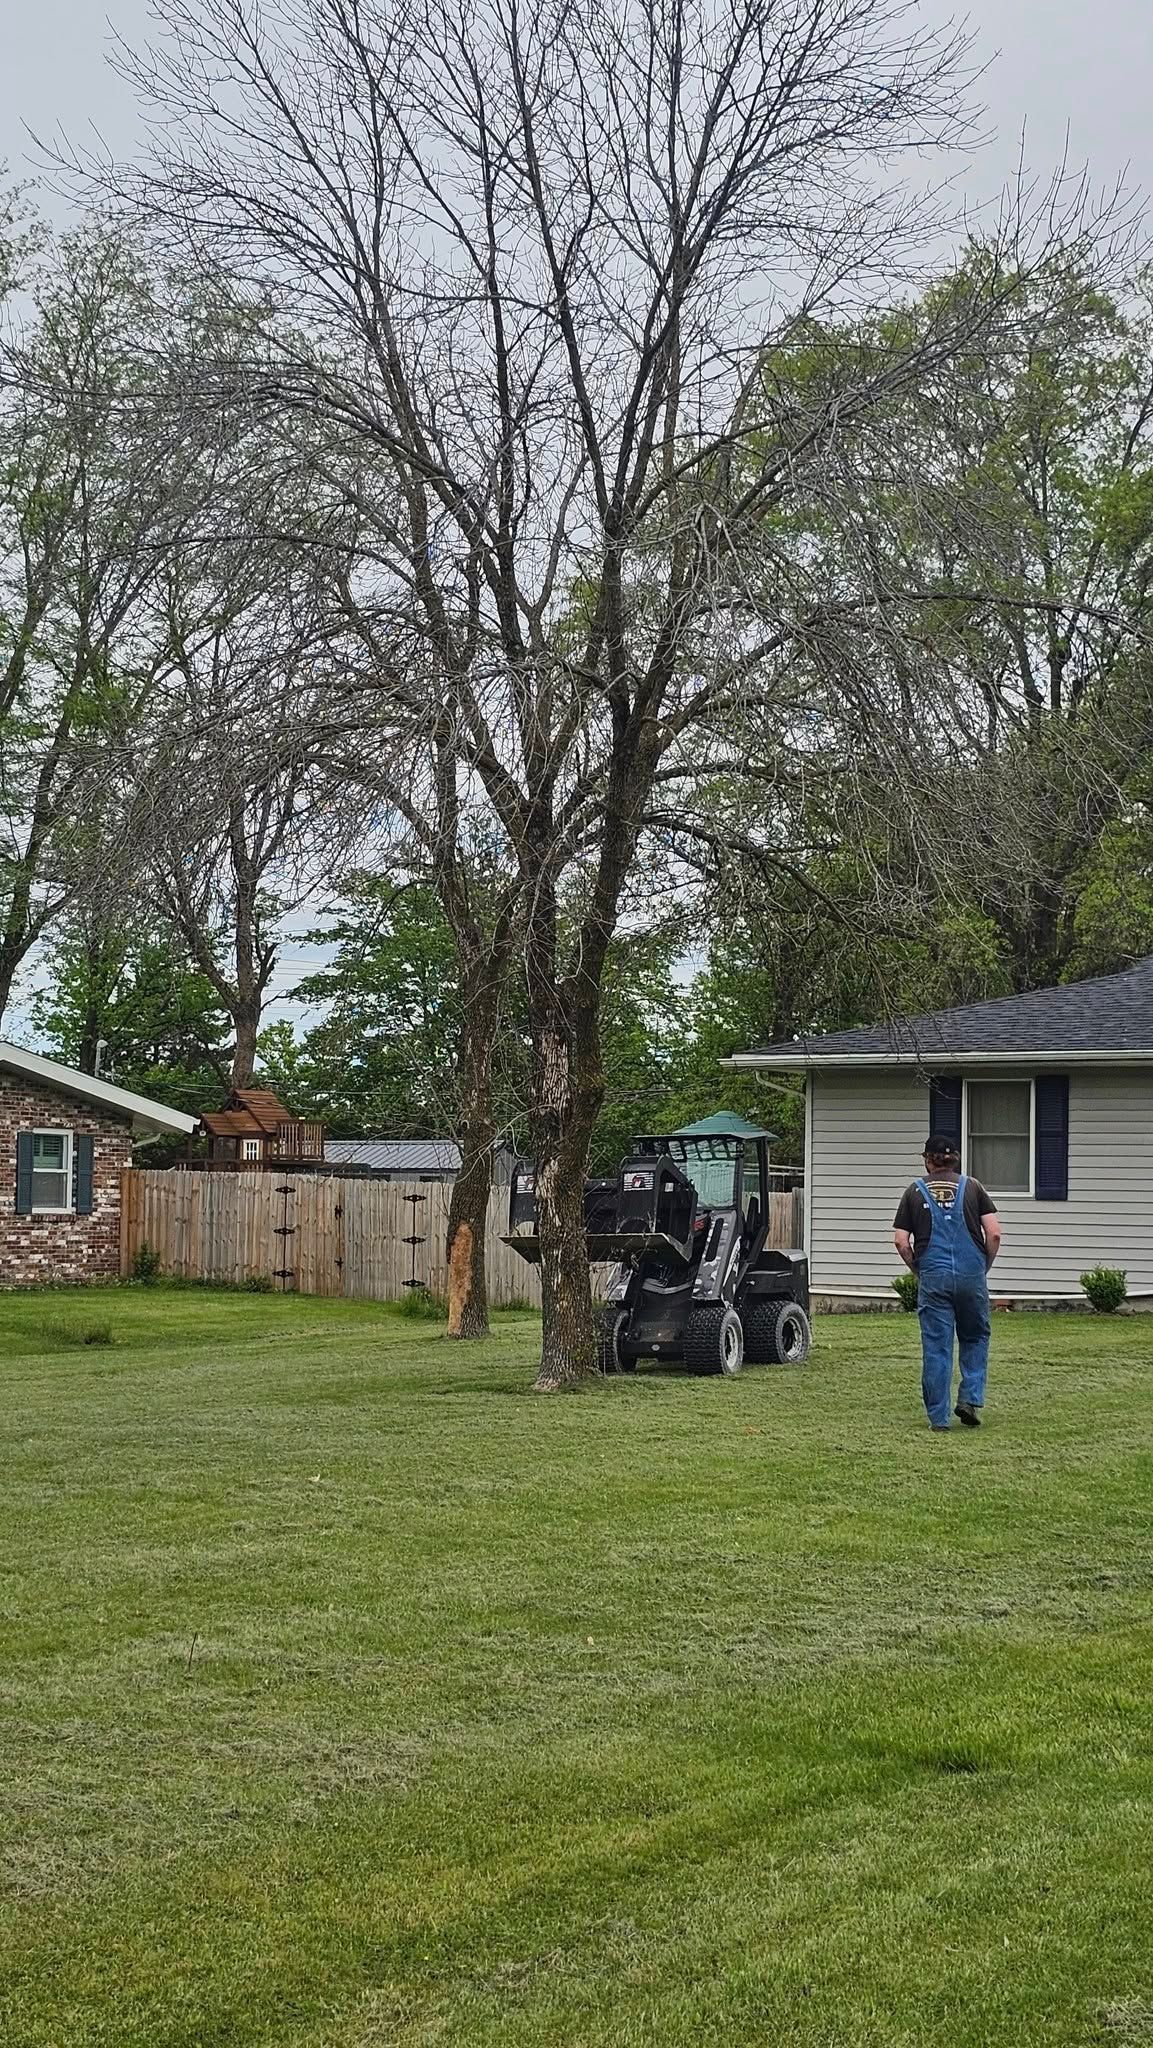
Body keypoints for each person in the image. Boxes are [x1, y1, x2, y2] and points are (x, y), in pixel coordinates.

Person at [893, 1135, 1002, 1432]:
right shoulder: (974, 1187)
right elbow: (993, 1234)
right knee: (976, 1336)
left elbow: (901, 1241)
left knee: (937, 1346)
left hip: (934, 1275)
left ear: (928, 1160)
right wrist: (983, 1266)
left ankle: (939, 1419)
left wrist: (918, 1270)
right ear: (955, 1159)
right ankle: (970, 1398)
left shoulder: (914, 1192)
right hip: (971, 1274)